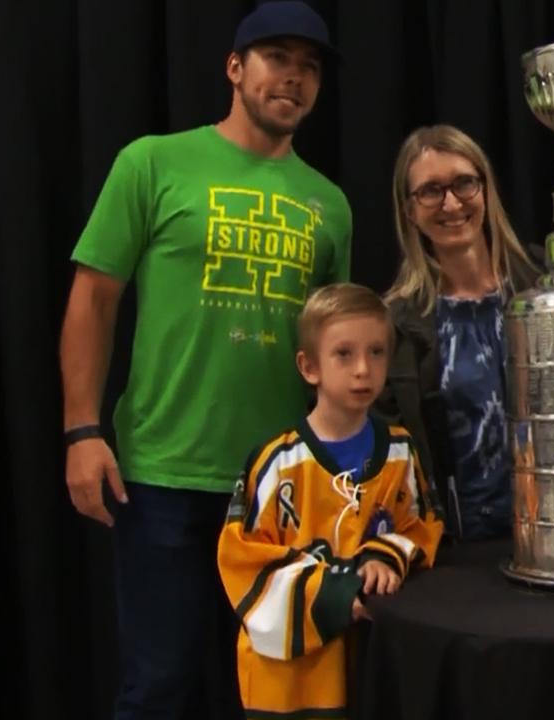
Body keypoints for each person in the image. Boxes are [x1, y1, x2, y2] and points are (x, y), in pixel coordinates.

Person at [58, 2, 349, 716]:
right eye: (278, 58)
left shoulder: (329, 203)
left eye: (309, 67)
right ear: (235, 67)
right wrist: (81, 431)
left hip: (280, 484)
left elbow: (335, 346)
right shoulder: (153, 162)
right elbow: (93, 299)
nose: (294, 78)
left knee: (276, 692)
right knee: (162, 685)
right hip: (162, 473)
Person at [218, 283, 443, 719]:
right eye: (344, 354)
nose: (363, 369)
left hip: (367, 666)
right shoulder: (276, 464)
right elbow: (243, 561)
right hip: (290, 683)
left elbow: (424, 525)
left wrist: (386, 555)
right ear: (309, 366)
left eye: (376, 352)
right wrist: (336, 594)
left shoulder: (400, 451)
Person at [376, 125, 538, 540]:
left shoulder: (544, 285)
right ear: (409, 210)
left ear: (485, 189)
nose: (451, 203)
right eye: (430, 191)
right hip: (459, 547)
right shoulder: (397, 324)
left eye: (464, 183)